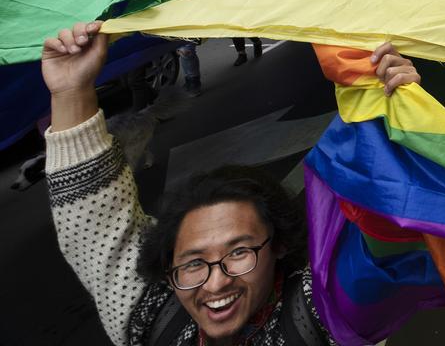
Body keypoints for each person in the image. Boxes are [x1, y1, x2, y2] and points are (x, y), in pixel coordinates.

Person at [41, 21, 419, 345]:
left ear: (280, 247)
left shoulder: (327, 313)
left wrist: (405, 118)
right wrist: (71, 90)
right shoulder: (148, 314)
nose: (216, 283)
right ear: (167, 268)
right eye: (191, 263)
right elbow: (96, 222)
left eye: (239, 253)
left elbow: (390, 229)